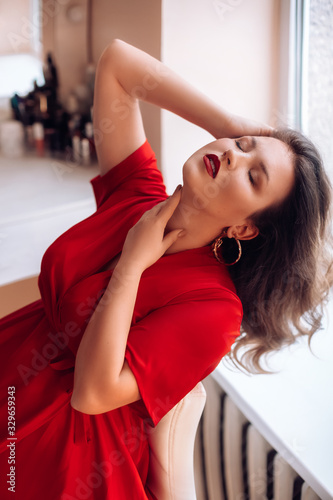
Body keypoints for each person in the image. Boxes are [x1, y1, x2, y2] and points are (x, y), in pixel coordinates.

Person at [0, 39, 332, 499]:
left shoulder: (215, 309)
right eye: (240, 145)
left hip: (58, 463)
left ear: (245, 228)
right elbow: (116, 63)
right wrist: (229, 124)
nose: (234, 155)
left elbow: (92, 393)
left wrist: (132, 265)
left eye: (254, 176)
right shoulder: (139, 194)